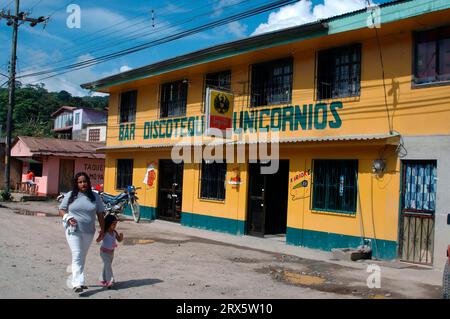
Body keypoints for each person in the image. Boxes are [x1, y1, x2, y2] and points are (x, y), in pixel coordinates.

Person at [59, 172, 105, 294]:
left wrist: (103, 231)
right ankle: (77, 283)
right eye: (80, 182)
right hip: (73, 230)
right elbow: (61, 210)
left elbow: (100, 214)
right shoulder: (70, 195)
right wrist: (68, 217)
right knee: (77, 254)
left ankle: (79, 279)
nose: (83, 184)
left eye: (85, 181)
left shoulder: (95, 196)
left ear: (88, 182)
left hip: (89, 232)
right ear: (76, 183)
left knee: (81, 256)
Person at [96, 214, 123, 289]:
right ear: (108, 223)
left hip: (111, 252)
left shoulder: (114, 232)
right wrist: (100, 236)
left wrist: (121, 237)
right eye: (113, 224)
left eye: (115, 224)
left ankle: (102, 279)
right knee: (108, 266)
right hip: (104, 252)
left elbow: (119, 240)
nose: (115, 226)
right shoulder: (105, 232)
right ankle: (110, 281)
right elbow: (97, 240)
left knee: (106, 266)